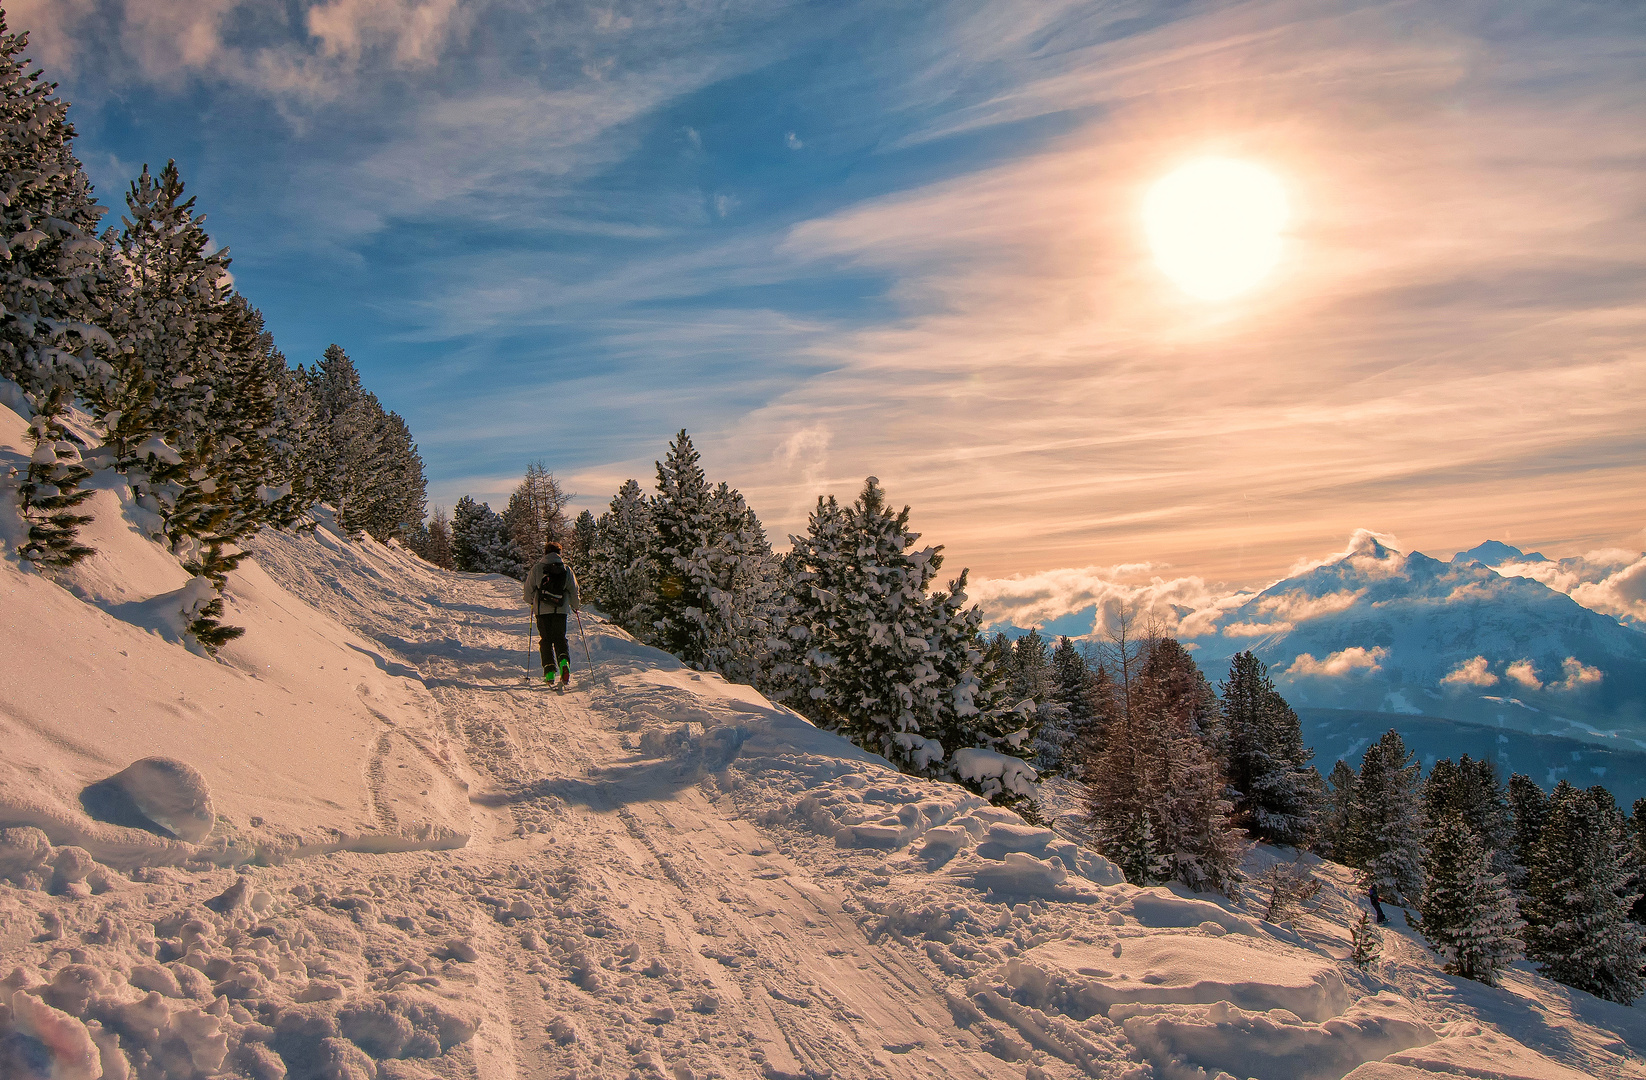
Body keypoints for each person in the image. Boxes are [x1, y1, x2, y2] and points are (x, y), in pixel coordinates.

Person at [524, 540, 581, 686]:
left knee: (546, 640)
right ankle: (564, 663)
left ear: (545, 553)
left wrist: (531, 601)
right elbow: (573, 590)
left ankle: (549, 671)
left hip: (542, 612)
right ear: (559, 553)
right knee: (560, 638)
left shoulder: (537, 569)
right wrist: (575, 606)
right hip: (560, 611)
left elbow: (528, 591)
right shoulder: (566, 570)